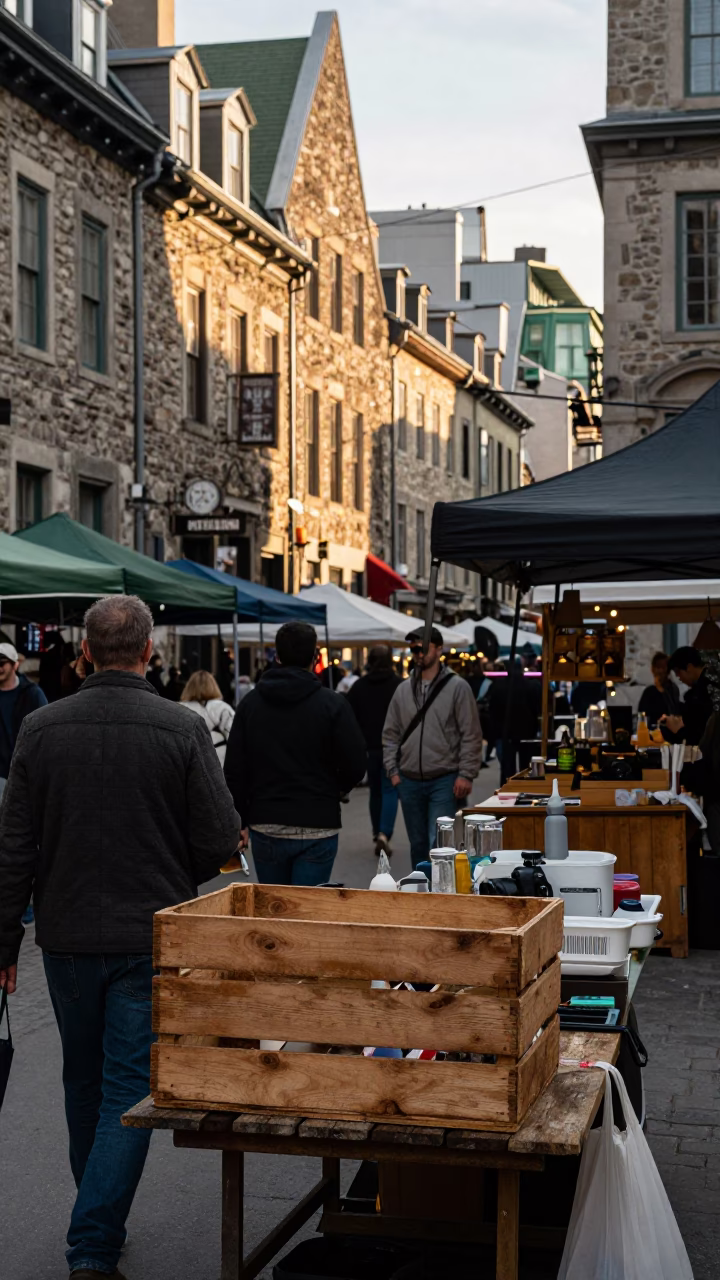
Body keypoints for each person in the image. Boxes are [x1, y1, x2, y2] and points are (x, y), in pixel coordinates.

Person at [0, 595, 240, 1280]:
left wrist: (4, 944)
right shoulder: (179, 727)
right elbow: (220, 838)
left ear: (84, 653)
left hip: (69, 932)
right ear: (149, 653)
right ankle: (94, 1241)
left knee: (84, 1080)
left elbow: (14, 846)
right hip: (148, 929)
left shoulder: (42, 729)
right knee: (128, 1084)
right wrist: (174, 870)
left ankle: (96, 1217)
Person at [224, 621, 367, 886]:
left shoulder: (250, 705)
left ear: (277, 657)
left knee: (274, 909)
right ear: (315, 657)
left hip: (266, 821)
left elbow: (235, 769)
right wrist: (335, 789)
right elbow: (356, 763)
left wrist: (240, 819)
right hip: (318, 821)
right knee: (306, 915)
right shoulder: (332, 704)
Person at [382, 626, 483, 869]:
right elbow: (390, 734)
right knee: (417, 843)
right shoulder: (403, 690)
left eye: (423, 648)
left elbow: (470, 733)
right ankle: (421, 889)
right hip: (409, 779)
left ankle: (440, 890)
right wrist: (393, 772)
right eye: (414, 648)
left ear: (439, 649)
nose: (418, 653)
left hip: (443, 778)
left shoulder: (457, 687)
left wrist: (466, 774)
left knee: (438, 843)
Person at [346, 647, 402, 856]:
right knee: (390, 790)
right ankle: (384, 833)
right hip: (393, 747)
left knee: (375, 792)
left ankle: (376, 830)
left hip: (369, 747)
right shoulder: (399, 686)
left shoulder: (359, 687)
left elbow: (349, 717)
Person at [0, 640, 47, 801]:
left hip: (24, 771)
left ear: (15, 665)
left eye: (3, 663)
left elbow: (45, 729)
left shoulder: (32, 693)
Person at [486, 658, 541, 783]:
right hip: (527, 732)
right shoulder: (532, 685)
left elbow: (492, 709)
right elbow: (537, 708)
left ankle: (506, 794)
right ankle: (524, 792)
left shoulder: (498, 685)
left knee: (507, 770)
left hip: (504, 732)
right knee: (526, 769)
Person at [661, 646, 714, 746]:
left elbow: (697, 735)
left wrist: (677, 729)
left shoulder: (702, 692)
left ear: (689, 667)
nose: (678, 678)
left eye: (678, 672)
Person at [181, 669, 235, 765]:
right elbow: (235, 738)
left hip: (187, 764)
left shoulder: (178, 709)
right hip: (219, 765)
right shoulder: (222, 708)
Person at [638, 651, 681, 726]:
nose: (660, 671)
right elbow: (642, 715)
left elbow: (672, 711)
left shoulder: (673, 688)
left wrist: (661, 690)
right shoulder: (649, 691)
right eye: (658, 667)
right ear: (652, 669)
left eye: (663, 667)